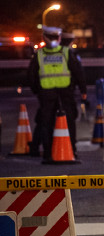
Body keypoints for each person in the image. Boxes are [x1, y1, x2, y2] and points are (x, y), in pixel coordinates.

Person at [27, 26, 87, 161]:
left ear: (44, 38)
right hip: (65, 92)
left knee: (46, 122)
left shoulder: (39, 54)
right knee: (69, 121)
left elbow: (31, 75)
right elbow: (78, 72)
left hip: (46, 93)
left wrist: (37, 91)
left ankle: (48, 153)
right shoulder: (66, 52)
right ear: (59, 38)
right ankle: (71, 150)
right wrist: (83, 90)